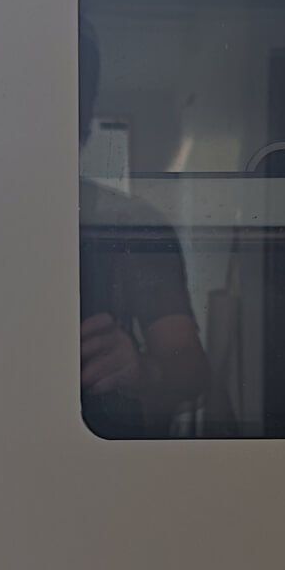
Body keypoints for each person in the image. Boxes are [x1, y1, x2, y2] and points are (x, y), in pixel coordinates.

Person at [79, 26, 209, 437]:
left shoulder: (131, 223)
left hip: (100, 453)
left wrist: (139, 370)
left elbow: (190, 370)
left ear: (85, 127)